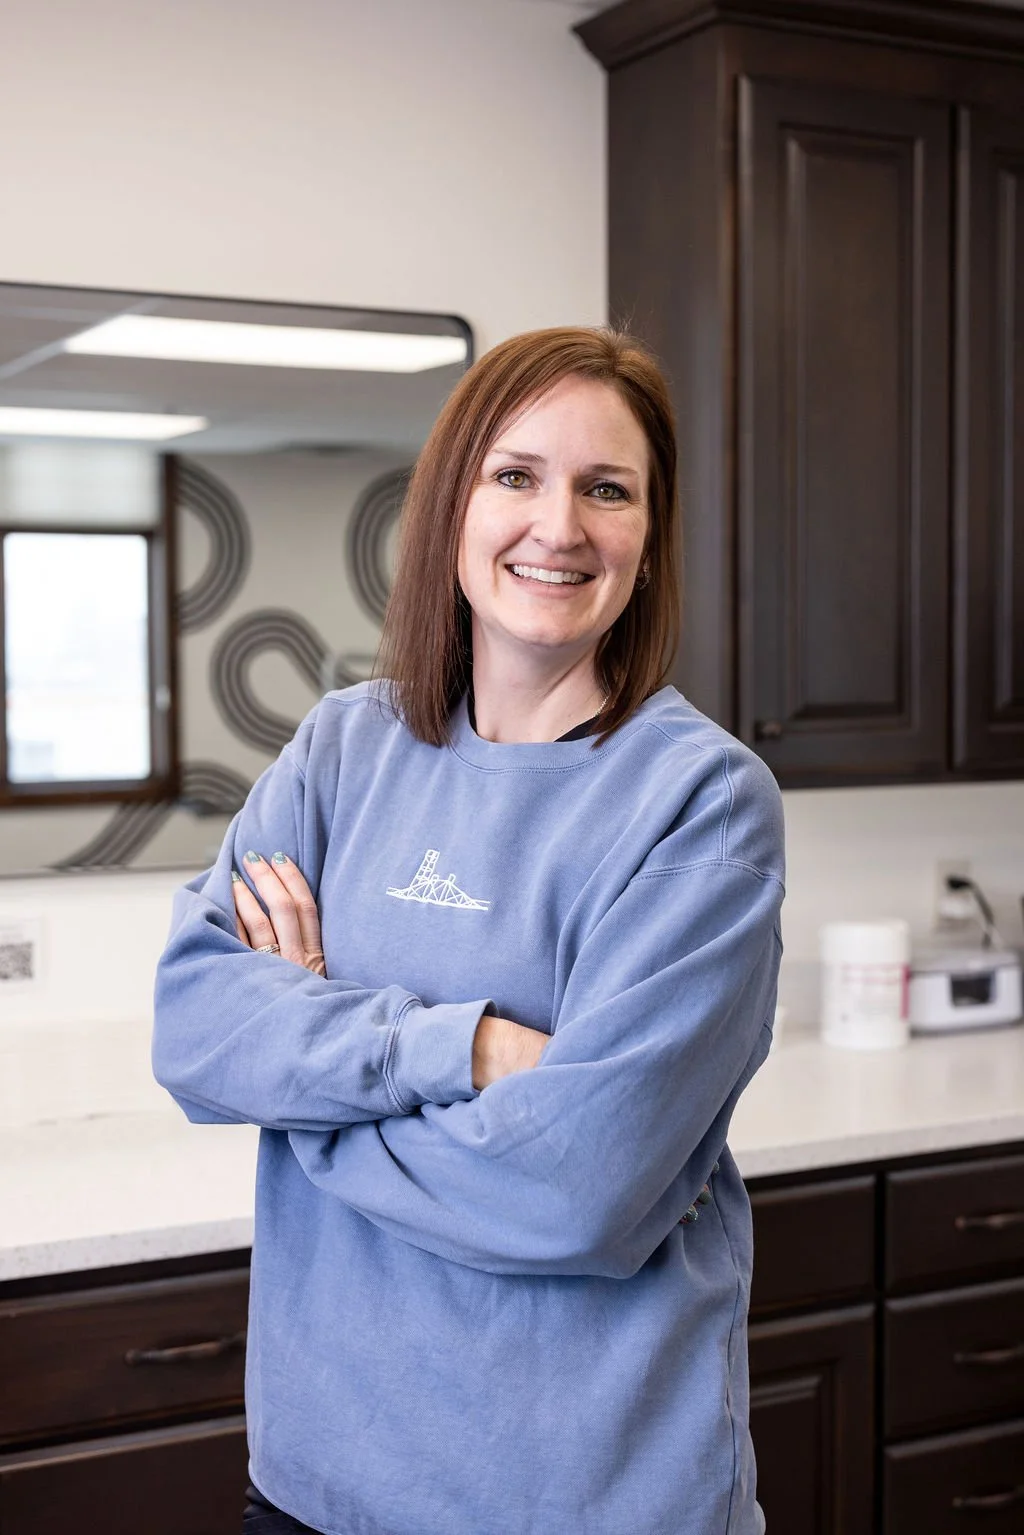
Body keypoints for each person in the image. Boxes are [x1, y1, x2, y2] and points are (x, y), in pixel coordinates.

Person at [152, 326, 784, 1535]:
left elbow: (575, 1193)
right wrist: (471, 1048)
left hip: (581, 1500)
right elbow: (194, 1026)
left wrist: (306, 1100)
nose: (560, 524)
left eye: (608, 489)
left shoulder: (699, 803)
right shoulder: (343, 748)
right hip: (316, 1487)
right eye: (516, 475)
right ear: (452, 508)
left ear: (649, 544)